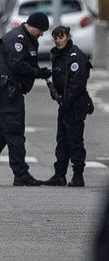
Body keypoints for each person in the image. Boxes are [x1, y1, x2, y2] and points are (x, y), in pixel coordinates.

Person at [0, 11, 52, 186]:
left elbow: (29, 63)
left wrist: (39, 72)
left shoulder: (28, 38)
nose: (42, 34)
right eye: (40, 30)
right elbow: (18, 64)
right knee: (15, 133)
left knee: (1, 135)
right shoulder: (17, 39)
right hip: (7, 91)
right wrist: (38, 73)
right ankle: (21, 174)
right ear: (32, 26)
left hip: (10, 91)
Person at [46, 25, 93, 187]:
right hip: (64, 104)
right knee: (62, 140)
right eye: (56, 37)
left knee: (75, 140)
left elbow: (77, 83)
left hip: (75, 104)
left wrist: (67, 101)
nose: (58, 40)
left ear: (68, 36)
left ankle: (78, 175)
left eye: (61, 37)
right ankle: (59, 175)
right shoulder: (58, 55)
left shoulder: (75, 56)